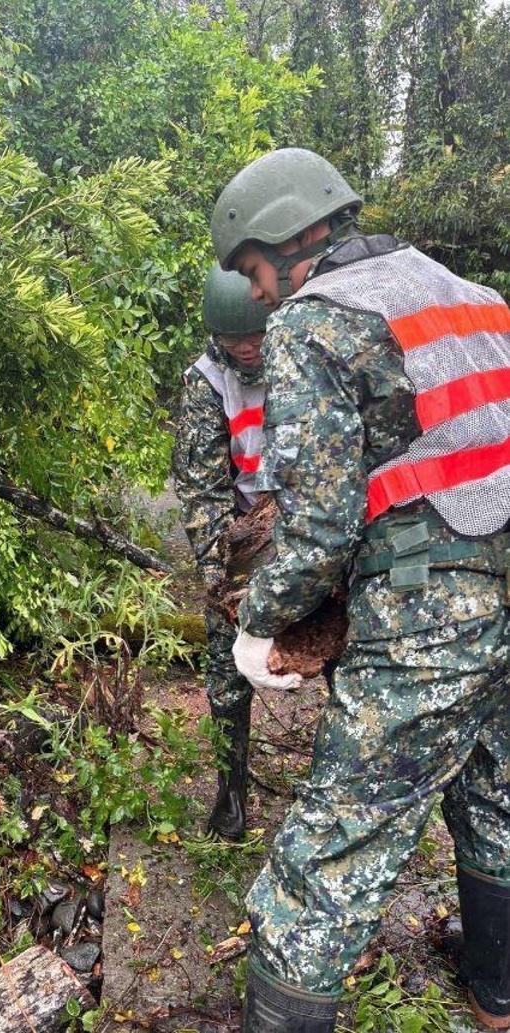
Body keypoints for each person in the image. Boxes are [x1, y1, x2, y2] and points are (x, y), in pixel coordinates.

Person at [210, 147, 510, 1032]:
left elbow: (318, 526)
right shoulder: (475, 298)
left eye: (254, 271)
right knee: (498, 790)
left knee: (332, 848)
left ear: (289, 236)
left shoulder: (318, 320)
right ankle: (498, 993)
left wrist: (257, 625)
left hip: (433, 609)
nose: (259, 295)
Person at [173, 263, 300, 842]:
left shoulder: (303, 352)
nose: (249, 349)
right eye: (235, 339)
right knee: (227, 670)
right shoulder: (205, 383)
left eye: (257, 335)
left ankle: (334, 782)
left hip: (312, 521)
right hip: (244, 530)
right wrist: (222, 583)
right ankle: (231, 792)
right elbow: (200, 492)